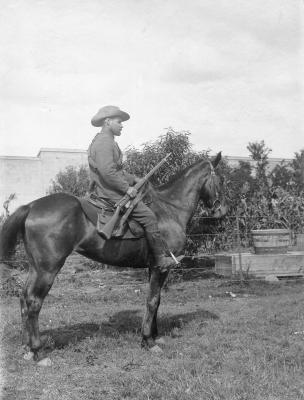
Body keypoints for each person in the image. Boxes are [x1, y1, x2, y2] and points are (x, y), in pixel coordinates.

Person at [88, 105, 175, 270]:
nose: (122, 125)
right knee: (149, 217)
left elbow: (116, 171)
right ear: (107, 122)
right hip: (111, 193)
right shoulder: (105, 142)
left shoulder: (103, 141)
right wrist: (127, 188)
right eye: (119, 121)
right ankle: (160, 260)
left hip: (109, 189)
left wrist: (134, 179)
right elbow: (107, 172)